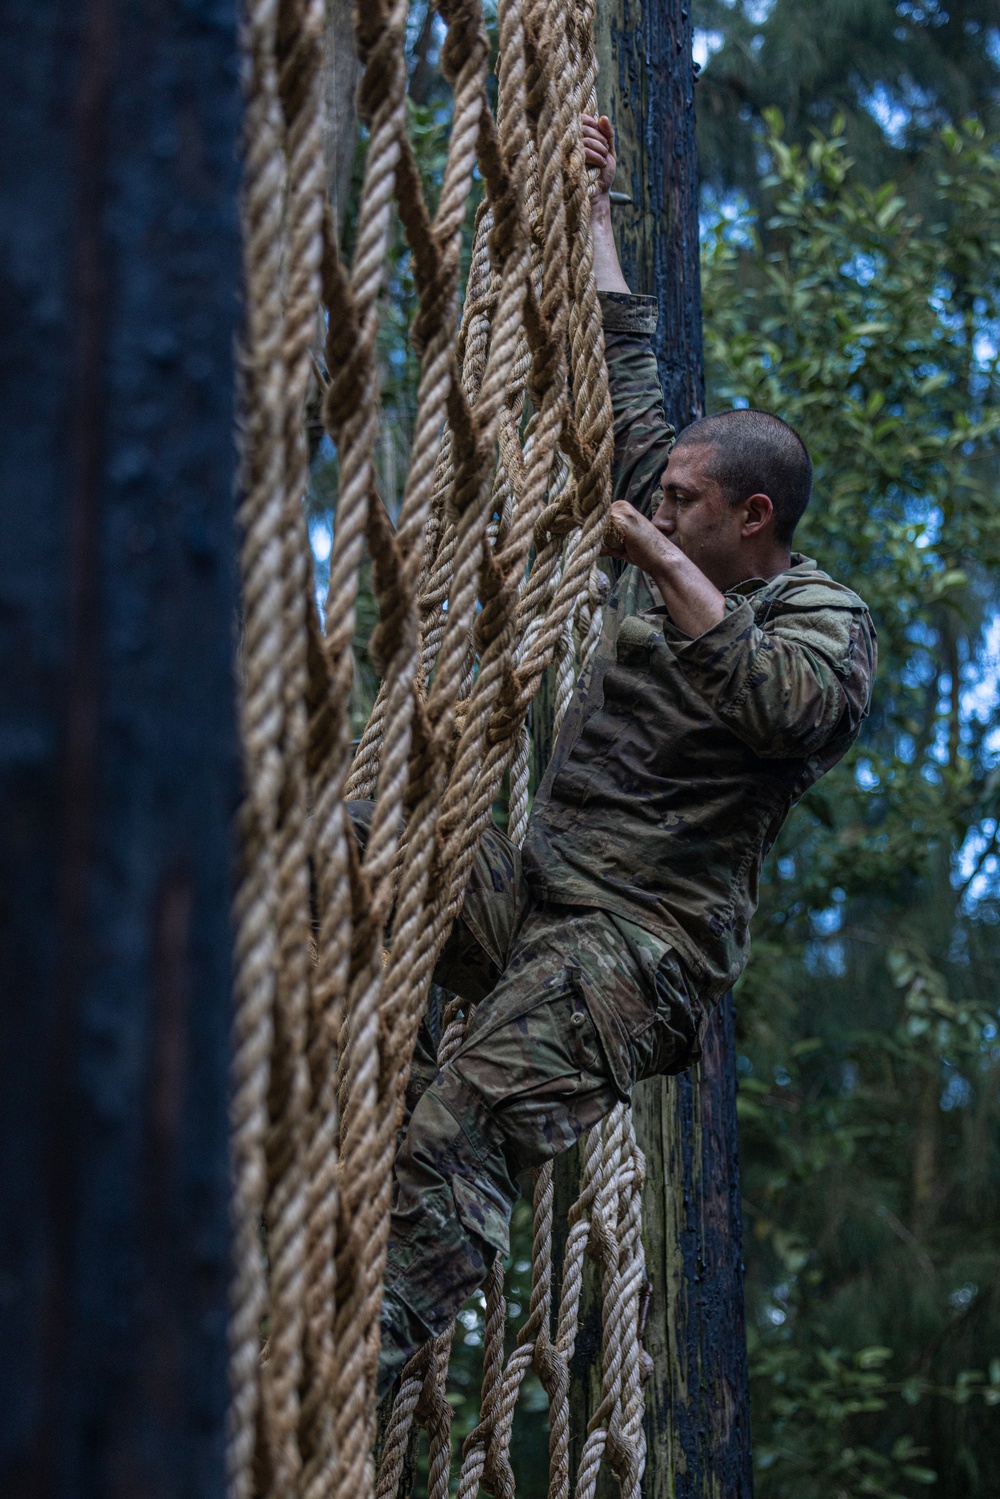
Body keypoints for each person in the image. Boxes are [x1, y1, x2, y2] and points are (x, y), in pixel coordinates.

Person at [367, 113, 877, 1395]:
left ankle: (346, 1363)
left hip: (632, 949)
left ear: (750, 518)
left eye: (684, 503)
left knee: (460, 1127)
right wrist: (591, 206)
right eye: (660, 499)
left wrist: (651, 560)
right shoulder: (679, 504)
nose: (660, 506)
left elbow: (785, 709)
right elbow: (626, 361)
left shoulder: (820, 617)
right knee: (352, 841)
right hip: (537, 890)